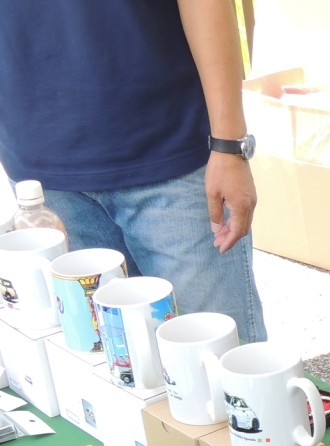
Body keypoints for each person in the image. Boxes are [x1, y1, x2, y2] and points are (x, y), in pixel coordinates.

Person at [0, 0, 266, 343]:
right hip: (42, 181)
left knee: (216, 361)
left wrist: (229, 145)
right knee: (101, 365)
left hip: (169, 151)